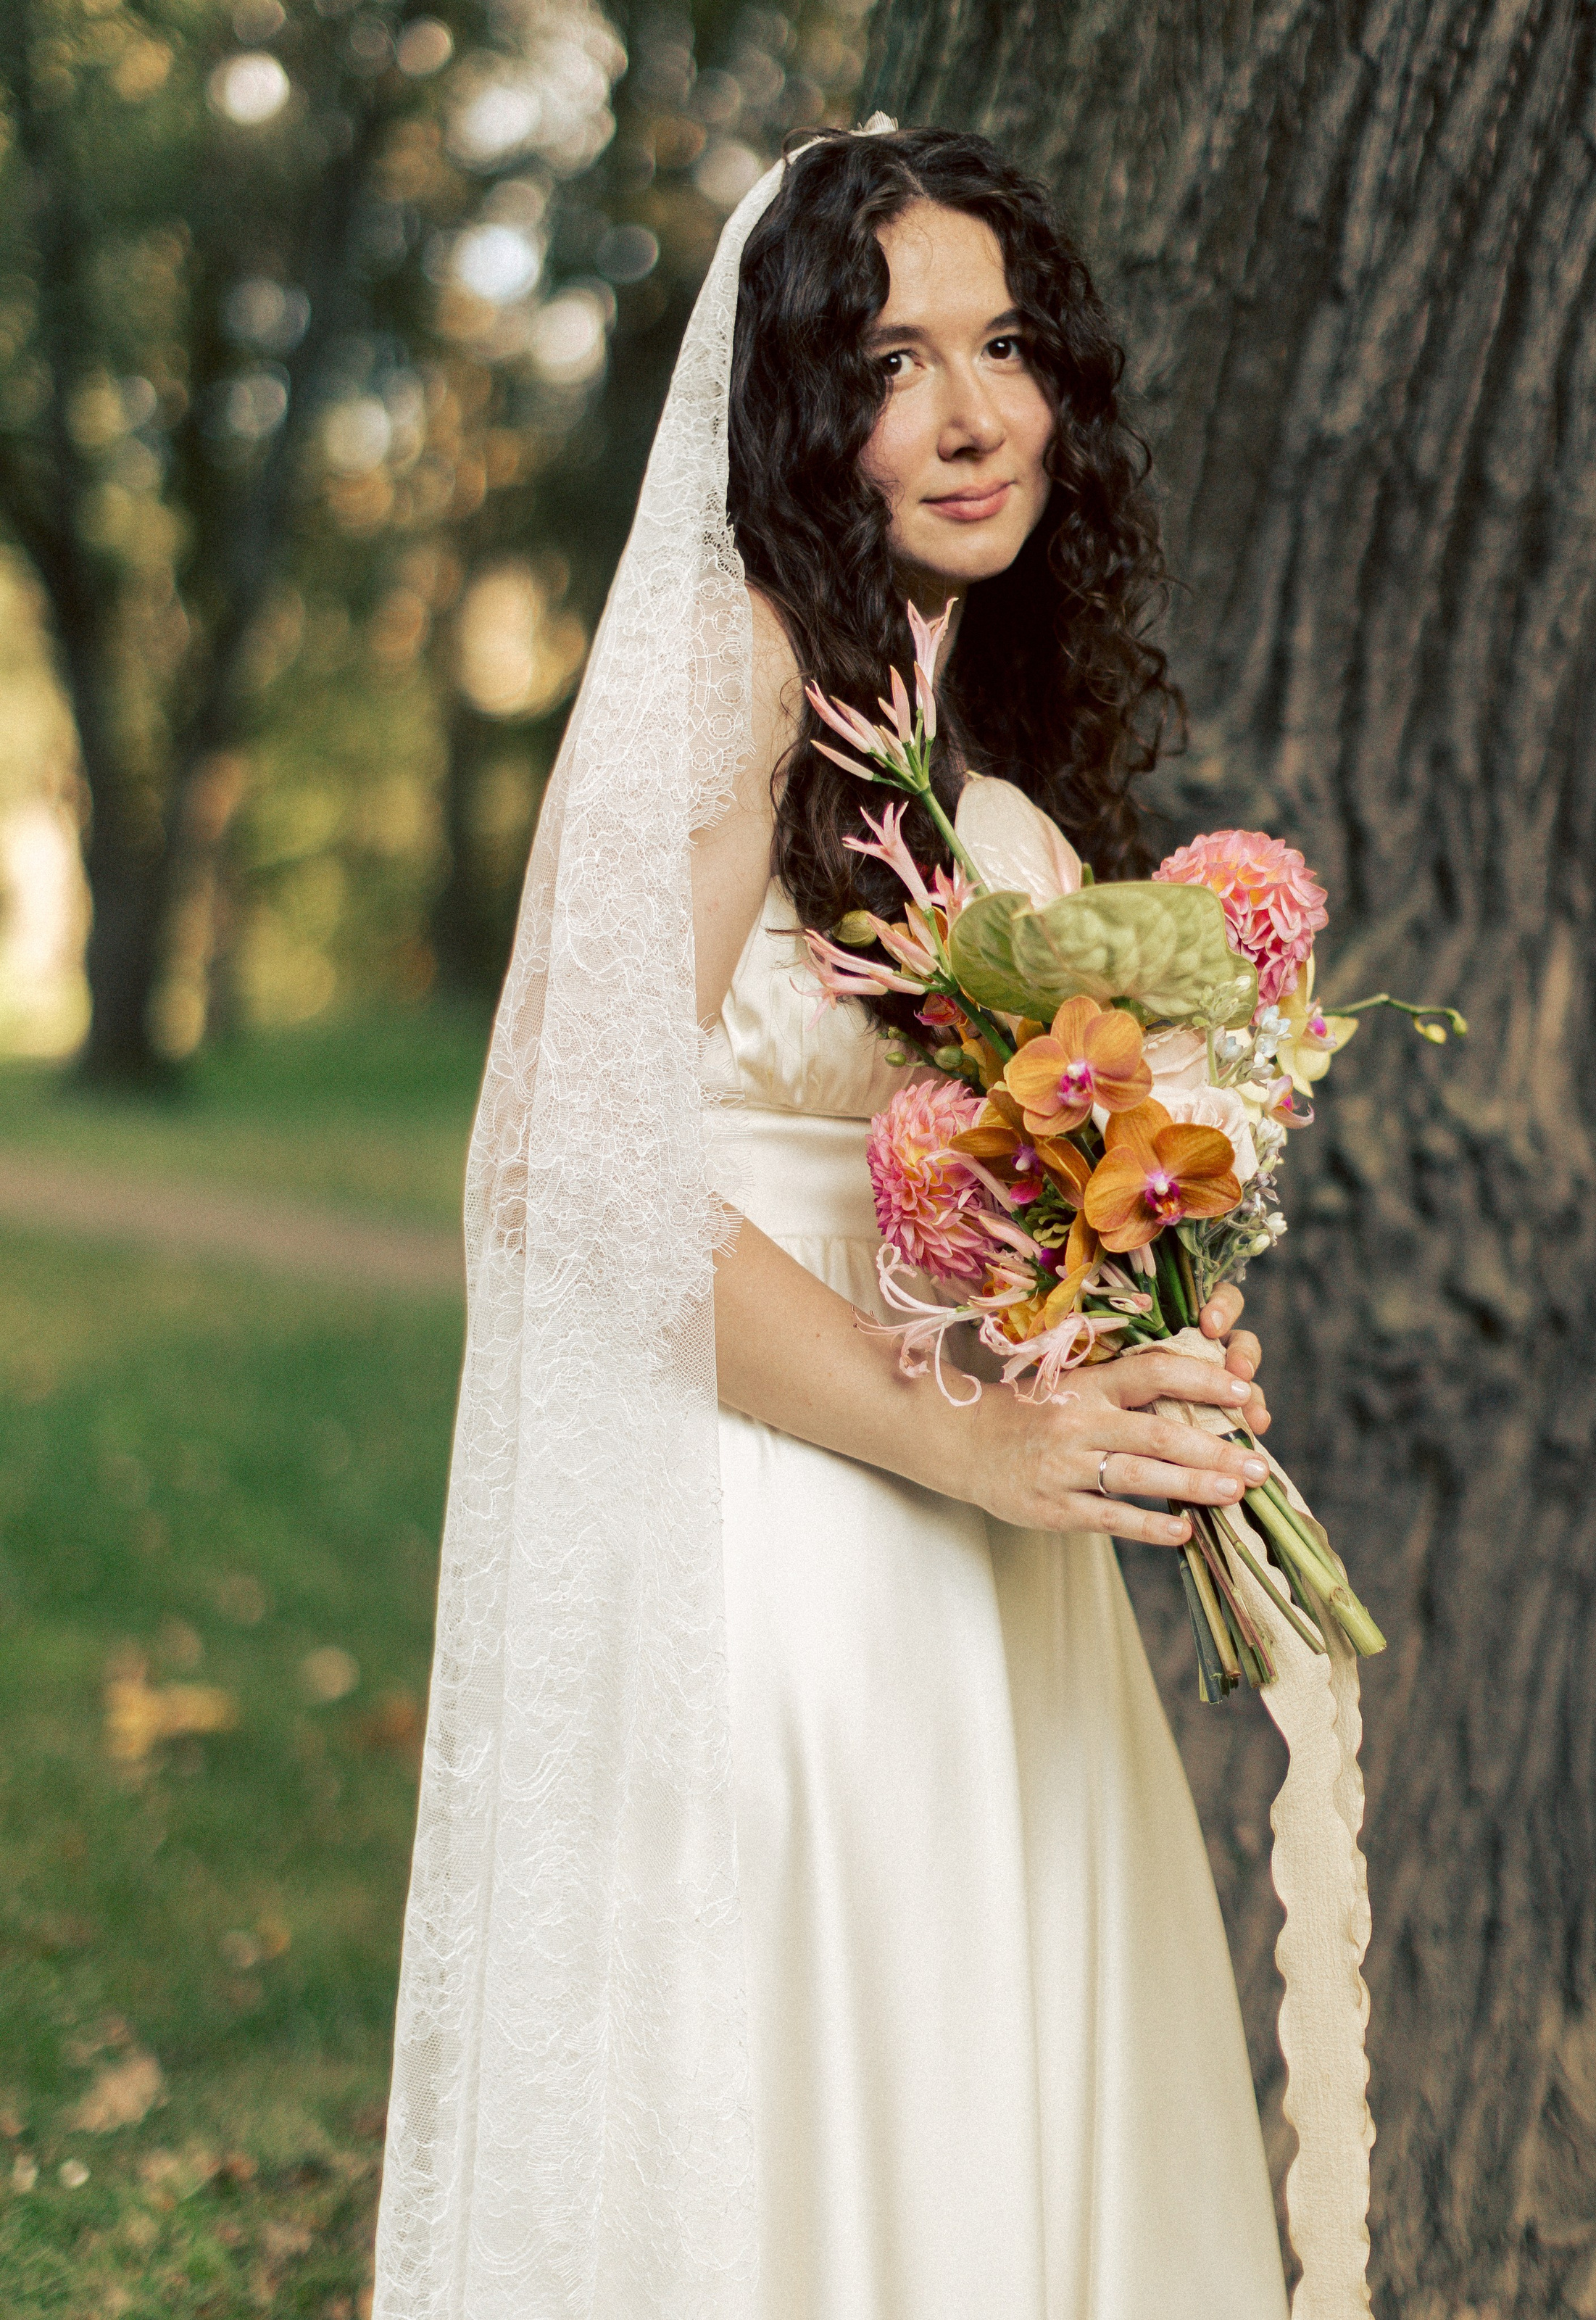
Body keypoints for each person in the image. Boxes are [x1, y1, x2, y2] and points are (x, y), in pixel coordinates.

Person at [375, 125, 1292, 2320]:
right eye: (894, 361)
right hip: (779, 1538)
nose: (974, 415)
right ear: (797, 406)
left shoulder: (981, 772)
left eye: (1007, 347)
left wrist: (1128, 1335)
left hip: (995, 1574)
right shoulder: (737, 672)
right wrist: (966, 1439)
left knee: (1004, 2107)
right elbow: (550, 1181)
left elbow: (984, 1205)